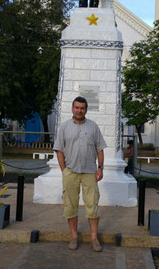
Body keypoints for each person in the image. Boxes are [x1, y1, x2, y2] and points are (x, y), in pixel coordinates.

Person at [53, 96, 107, 252]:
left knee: (92, 205)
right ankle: (73, 237)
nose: (79, 110)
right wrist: (64, 170)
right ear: (72, 109)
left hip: (90, 172)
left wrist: (100, 167)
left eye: (82, 108)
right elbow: (59, 149)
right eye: (76, 107)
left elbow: (100, 148)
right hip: (70, 172)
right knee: (70, 206)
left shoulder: (93, 127)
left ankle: (94, 238)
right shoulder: (64, 127)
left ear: (86, 110)